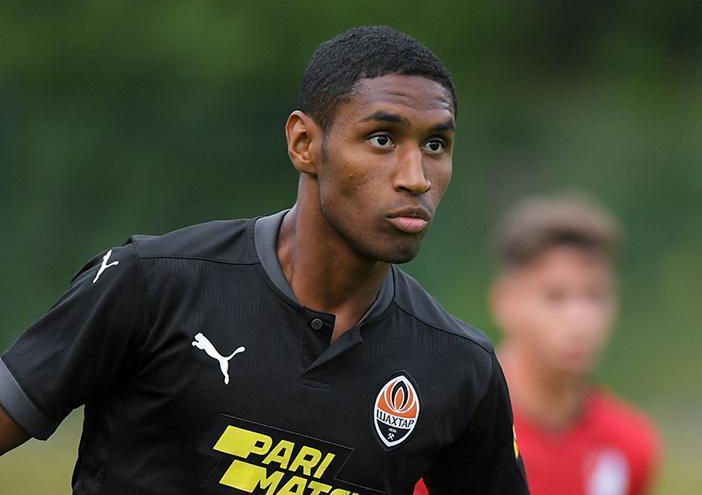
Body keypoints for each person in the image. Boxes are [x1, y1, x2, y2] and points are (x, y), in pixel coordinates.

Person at [0, 26, 528, 494]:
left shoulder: (460, 366)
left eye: (435, 145)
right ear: (304, 143)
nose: (416, 178)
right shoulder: (151, 284)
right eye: (382, 139)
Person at [416, 194, 660, 495]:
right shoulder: (445, 429)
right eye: (555, 296)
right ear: (505, 301)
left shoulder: (630, 445)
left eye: (595, 295)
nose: (580, 319)